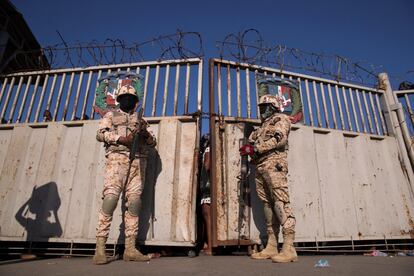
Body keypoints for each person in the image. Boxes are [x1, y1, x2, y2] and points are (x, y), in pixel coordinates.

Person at [93, 83, 157, 265]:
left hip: (138, 162)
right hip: (117, 160)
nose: (128, 101)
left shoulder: (141, 120)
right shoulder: (110, 115)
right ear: (119, 100)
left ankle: (130, 248)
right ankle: (100, 249)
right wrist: (121, 139)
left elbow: (153, 142)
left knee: (135, 203)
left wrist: (144, 134)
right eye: (124, 98)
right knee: (110, 200)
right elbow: (100, 134)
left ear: (135, 102)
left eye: (131, 98)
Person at [240, 94, 297, 263]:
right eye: (261, 108)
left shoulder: (281, 118)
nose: (262, 110)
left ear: (273, 107)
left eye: (265, 107)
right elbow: (251, 143)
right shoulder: (261, 127)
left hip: (275, 164)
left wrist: (256, 148)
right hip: (261, 166)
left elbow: (279, 139)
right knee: (267, 205)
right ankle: (272, 245)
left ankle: (289, 247)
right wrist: (248, 148)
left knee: (280, 202)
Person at [199, 134, 212, 255]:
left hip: (208, 186)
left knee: (207, 215)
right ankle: (208, 243)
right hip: (212, 185)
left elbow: (207, 166)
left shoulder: (208, 149)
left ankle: (211, 246)